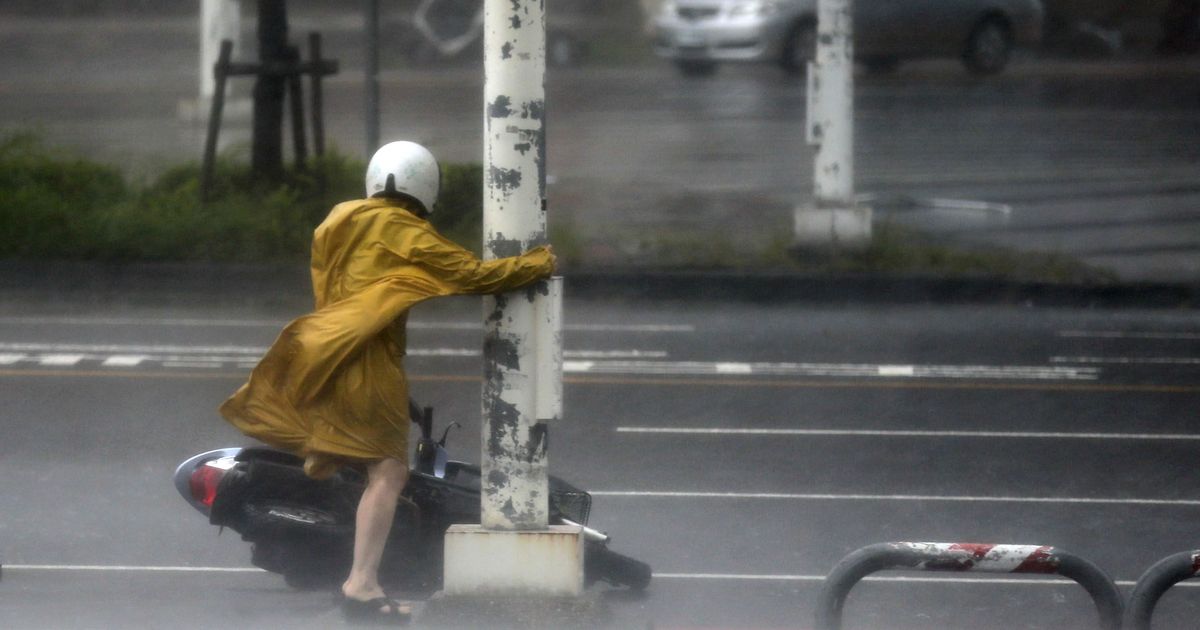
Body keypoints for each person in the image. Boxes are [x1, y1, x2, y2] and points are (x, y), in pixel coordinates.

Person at [219, 140, 556, 623]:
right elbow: (472, 275)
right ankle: (361, 582)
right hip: (370, 360)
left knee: (371, 469)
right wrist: (538, 263)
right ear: (426, 188)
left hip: (329, 355)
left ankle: (359, 574)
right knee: (388, 474)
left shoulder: (337, 222)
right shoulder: (404, 230)